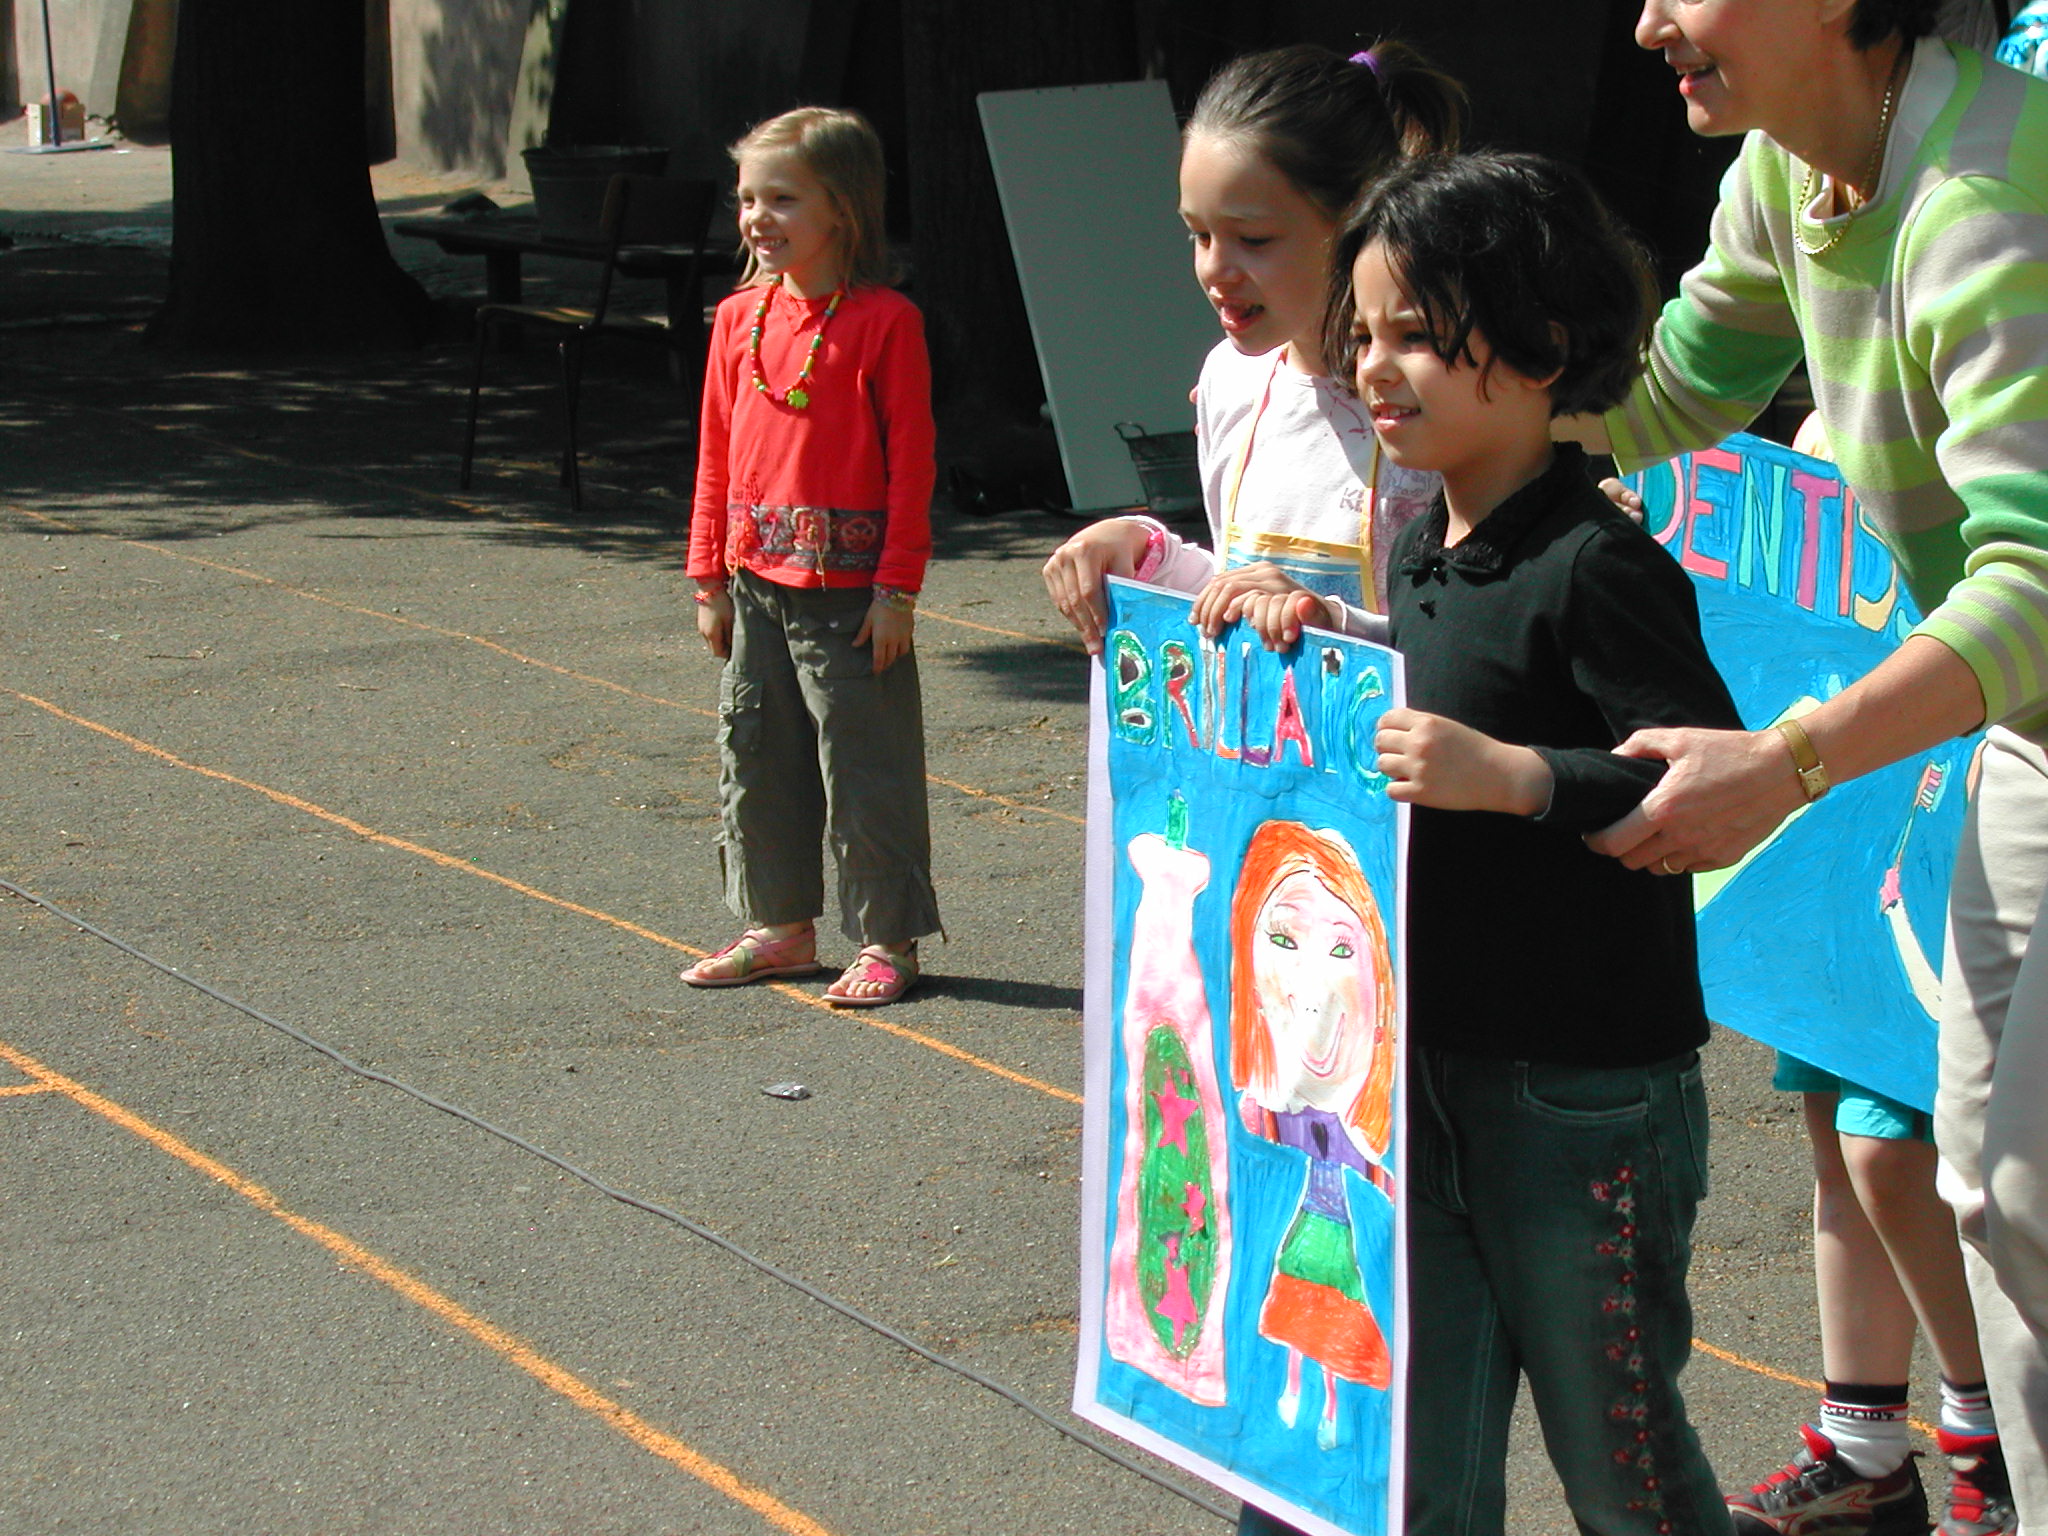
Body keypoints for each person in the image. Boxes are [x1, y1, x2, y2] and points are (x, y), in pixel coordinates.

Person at [1568, 1, 2048, 1525]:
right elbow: (1669, 395)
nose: (1650, 22)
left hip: (2028, 689)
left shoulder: (1986, 198)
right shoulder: (1792, 169)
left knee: (2022, 1187)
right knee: (1998, 1194)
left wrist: (1784, 765)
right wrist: (1431, 392)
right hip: (2030, 734)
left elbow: (2035, 585)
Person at [1335, 149, 1739, 1536]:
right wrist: (1301, 624)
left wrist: (1514, 780)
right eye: (1362, 335)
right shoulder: (1419, 548)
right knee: (1420, 1453)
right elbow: (1432, 710)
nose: (1375, 368)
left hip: (1584, 1092)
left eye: (1414, 335)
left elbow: (1696, 781)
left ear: (1541, 348)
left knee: (1617, 1453)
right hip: (1425, 1068)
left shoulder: (1597, 563)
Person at [1041, 42, 1463, 654]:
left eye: (1254, 239)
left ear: (1358, 218)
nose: (1214, 269)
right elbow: (1232, 589)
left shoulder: (1436, 393)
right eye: (1199, 234)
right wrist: (1140, 550)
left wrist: (1333, 622)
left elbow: (1471, 633)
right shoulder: (1229, 379)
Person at [681, 106, 938, 1007]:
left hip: (850, 597)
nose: (758, 216)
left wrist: (896, 590)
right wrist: (707, 576)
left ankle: (888, 937)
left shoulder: (884, 322)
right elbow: (715, 452)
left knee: (865, 765)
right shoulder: (737, 318)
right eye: (748, 198)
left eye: (782, 198)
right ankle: (779, 926)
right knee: (756, 755)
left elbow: (912, 463)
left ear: (844, 208)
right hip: (755, 584)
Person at [1230, 820, 1399, 1455]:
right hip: (1308, 1235)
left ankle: (1326, 1406)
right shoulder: (1277, 1112)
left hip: (1335, 1240)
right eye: (1282, 939)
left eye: (1342, 949)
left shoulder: (1361, 1130)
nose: (1313, 986)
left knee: (1333, 1334)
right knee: (1299, 1321)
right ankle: (1296, 1393)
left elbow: (1373, 1169)